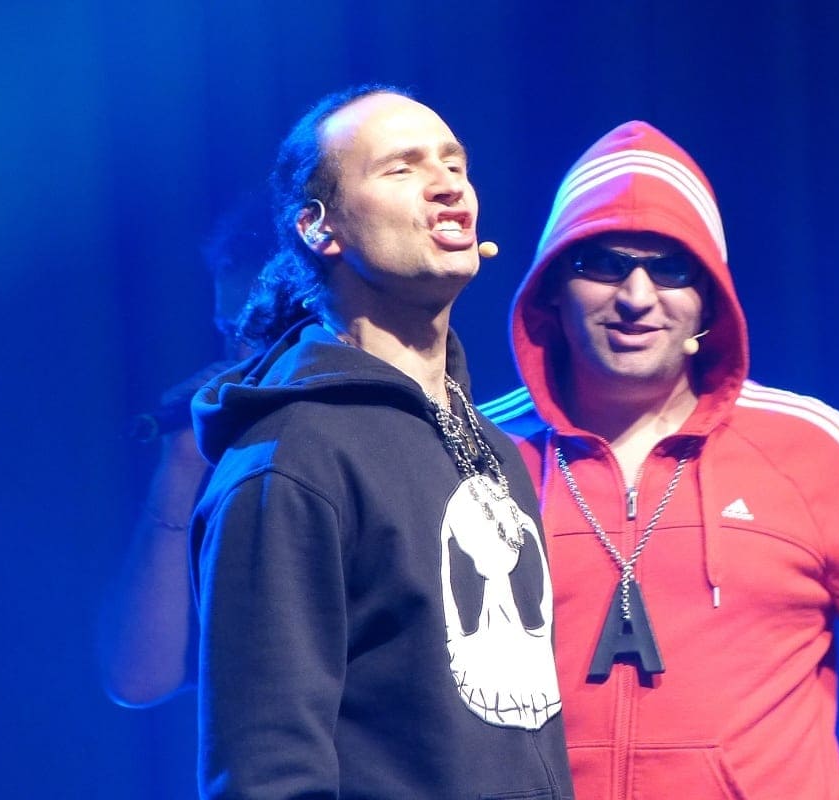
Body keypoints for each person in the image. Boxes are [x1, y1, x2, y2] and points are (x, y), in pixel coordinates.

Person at [486, 120, 839, 799]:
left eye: (671, 267)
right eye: (603, 263)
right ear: (551, 287)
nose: (636, 297)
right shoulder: (476, 448)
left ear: (709, 302)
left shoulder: (808, 448)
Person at [188, 85, 573, 799]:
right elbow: (267, 773)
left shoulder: (494, 449)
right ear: (319, 228)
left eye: (455, 165)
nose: (448, 186)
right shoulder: (291, 460)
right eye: (402, 167)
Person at [99, 193, 269, 707]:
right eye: (227, 332)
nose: (239, 354)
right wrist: (181, 464)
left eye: (258, 328)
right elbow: (136, 680)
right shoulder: (227, 474)